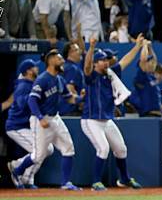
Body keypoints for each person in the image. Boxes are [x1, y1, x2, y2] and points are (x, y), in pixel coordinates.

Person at [8, 49, 82, 190]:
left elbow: (69, 98)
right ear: (51, 60)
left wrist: (81, 98)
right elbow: (31, 100)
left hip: (55, 118)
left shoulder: (59, 79)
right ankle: (17, 171)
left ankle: (65, 183)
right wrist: (40, 118)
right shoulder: (42, 79)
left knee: (68, 148)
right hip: (40, 119)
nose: (62, 62)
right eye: (60, 59)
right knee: (38, 155)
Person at [81, 36, 144, 191]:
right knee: (103, 149)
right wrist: (91, 48)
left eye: (105, 60)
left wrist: (137, 47)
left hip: (106, 120)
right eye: (102, 60)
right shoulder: (92, 76)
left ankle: (124, 179)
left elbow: (125, 61)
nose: (106, 62)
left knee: (121, 149)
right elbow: (87, 67)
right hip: (91, 120)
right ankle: (96, 182)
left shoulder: (110, 73)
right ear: (96, 63)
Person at [5, 59, 52, 189]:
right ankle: (24, 175)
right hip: (16, 126)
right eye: (34, 67)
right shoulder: (23, 86)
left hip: (26, 126)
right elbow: (22, 104)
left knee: (48, 149)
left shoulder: (32, 83)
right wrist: (35, 98)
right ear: (28, 71)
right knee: (40, 150)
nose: (37, 69)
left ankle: (20, 169)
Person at [132, 41, 162, 116]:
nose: (151, 63)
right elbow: (143, 60)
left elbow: (154, 60)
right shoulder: (141, 76)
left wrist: (150, 47)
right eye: (148, 61)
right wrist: (144, 46)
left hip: (157, 114)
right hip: (148, 114)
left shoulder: (151, 76)